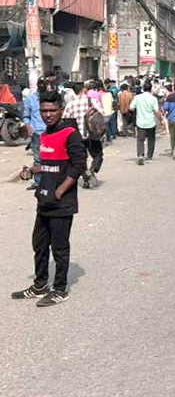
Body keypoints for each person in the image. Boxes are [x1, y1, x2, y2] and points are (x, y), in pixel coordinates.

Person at [12, 90, 87, 307]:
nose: (47, 114)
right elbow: (48, 165)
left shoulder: (70, 134)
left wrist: (60, 190)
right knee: (40, 244)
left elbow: (79, 165)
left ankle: (60, 289)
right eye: (44, 110)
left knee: (60, 248)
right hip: (44, 199)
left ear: (61, 110)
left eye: (52, 110)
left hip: (61, 202)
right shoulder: (45, 134)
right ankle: (40, 285)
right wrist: (31, 171)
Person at [62, 82, 103, 188]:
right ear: (84, 90)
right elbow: (101, 113)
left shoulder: (70, 105)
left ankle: (86, 179)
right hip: (92, 134)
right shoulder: (92, 101)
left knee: (81, 160)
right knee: (97, 155)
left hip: (77, 136)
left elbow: (65, 119)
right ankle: (92, 170)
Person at [130, 81, 161, 166]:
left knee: (140, 140)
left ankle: (140, 155)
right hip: (151, 122)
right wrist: (161, 119)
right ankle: (149, 156)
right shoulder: (153, 99)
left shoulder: (137, 97)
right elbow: (156, 111)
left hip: (140, 122)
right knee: (151, 140)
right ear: (151, 89)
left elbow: (131, 107)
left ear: (143, 89)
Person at [21, 82, 45, 190]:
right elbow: (26, 116)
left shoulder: (50, 97)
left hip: (50, 132)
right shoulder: (30, 99)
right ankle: (38, 182)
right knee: (38, 158)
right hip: (37, 132)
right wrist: (28, 126)